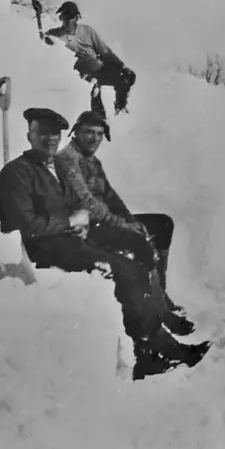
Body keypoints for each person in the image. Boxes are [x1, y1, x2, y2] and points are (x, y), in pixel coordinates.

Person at [0, 107, 209, 379]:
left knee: (135, 264)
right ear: (29, 135)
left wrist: (81, 224)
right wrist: (71, 223)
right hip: (45, 250)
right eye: (43, 133)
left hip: (69, 240)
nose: (50, 139)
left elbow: (79, 205)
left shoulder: (49, 169)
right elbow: (26, 226)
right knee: (126, 271)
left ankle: (149, 350)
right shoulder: (16, 173)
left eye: (54, 134)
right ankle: (159, 347)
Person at [55, 111, 186, 316]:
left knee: (162, 224)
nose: (95, 139)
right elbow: (87, 203)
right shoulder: (67, 159)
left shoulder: (93, 162)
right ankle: (154, 302)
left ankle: (160, 291)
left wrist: (132, 221)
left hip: (104, 222)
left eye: (99, 134)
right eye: (89, 132)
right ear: (76, 132)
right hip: (84, 227)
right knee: (137, 238)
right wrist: (124, 225)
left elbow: (111, 198)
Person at [42, 1, 136, 116]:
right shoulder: (54, 35)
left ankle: (120, 108)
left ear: (77, 18)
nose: (68, 22)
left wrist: (122, 66)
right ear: (61, 18)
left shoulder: (87, 31)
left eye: (72, 18)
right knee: (94, 92)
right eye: (65, 17)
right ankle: (97, 117)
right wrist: (45, 39)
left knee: (127, 76)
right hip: (79, 73)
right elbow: (45, 48)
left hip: (99, 68)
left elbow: (104, 50)